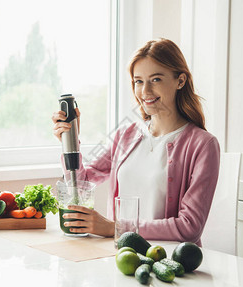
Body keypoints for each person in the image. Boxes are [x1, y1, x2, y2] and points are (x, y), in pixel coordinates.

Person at [51, 38, 220, 245]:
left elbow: (189, 227)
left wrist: (114, 228)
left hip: (168, 262)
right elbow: (82, 183)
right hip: (121, 255)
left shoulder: (203, 145)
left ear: (180, 81)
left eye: (156, 79)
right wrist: (70, 142)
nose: (145, 91)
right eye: (139, 81)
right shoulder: (125, 134)